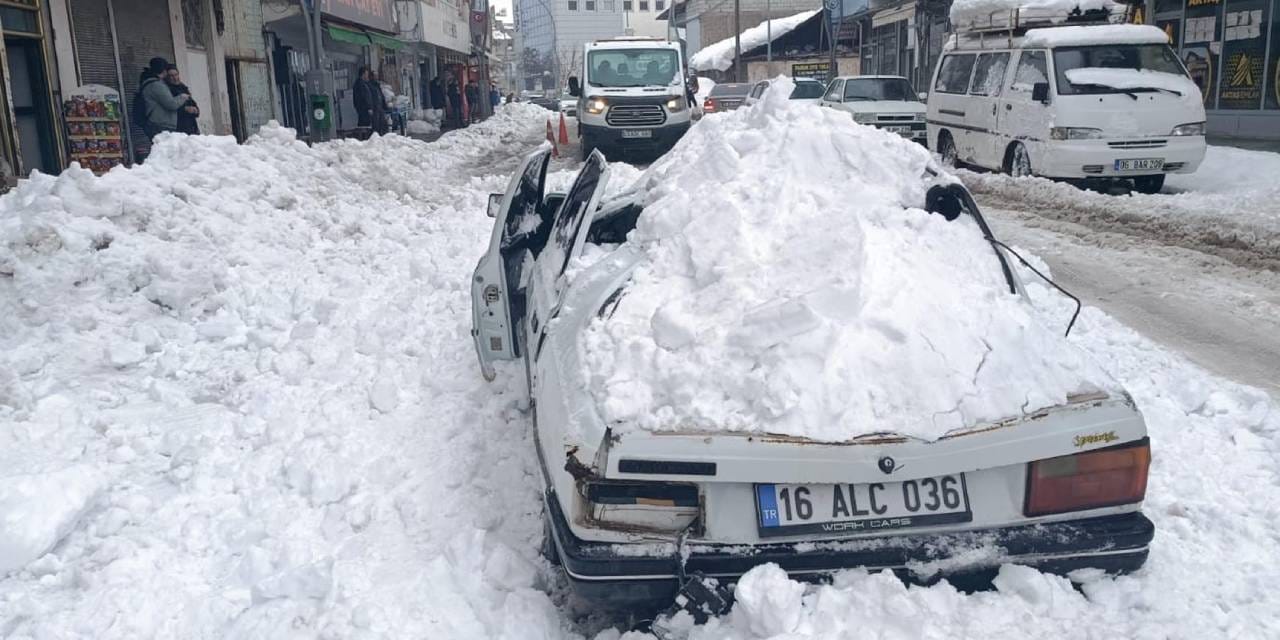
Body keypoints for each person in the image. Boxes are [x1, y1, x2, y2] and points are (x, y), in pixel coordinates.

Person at [138, 57, 188, 141]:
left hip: (158, 124)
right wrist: (182, 97)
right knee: (166, 151)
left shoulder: (151, 83)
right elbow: (171, 104)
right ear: (163, 70)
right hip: (160, 124)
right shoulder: (156, 85)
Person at [164, 64, 200, 135]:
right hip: (177, 129)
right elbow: (168, 108)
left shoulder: (183, 87)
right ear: (167, 77)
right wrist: (184, 109)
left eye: (176, 74)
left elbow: (193, 104)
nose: (175, 78)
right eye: (171, 76)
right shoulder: (166, 90)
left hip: (191, 127)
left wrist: (196, 110)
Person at [353, 66, 375, 136]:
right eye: (366, 74)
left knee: (365, 124)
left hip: (363, 108)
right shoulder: (360, 84)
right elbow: (364, 97)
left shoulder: (364, 83)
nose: (367, 75)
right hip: (363, 108)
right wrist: (368, 107)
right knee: (364, 125)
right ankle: (363, 138)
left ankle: (364, 137)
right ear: (363, 74)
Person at [369, 70, 389, 136]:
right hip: (375, 108)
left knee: (383, 124)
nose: (376, 77)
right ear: (371, 76)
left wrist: (385, 106)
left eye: (377, 75)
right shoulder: (370, 86)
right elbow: (371, 98)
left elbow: (381, 96)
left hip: (380, 108)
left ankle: (384, 137)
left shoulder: (377, 85)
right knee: (376, 125)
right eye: (375, 76)